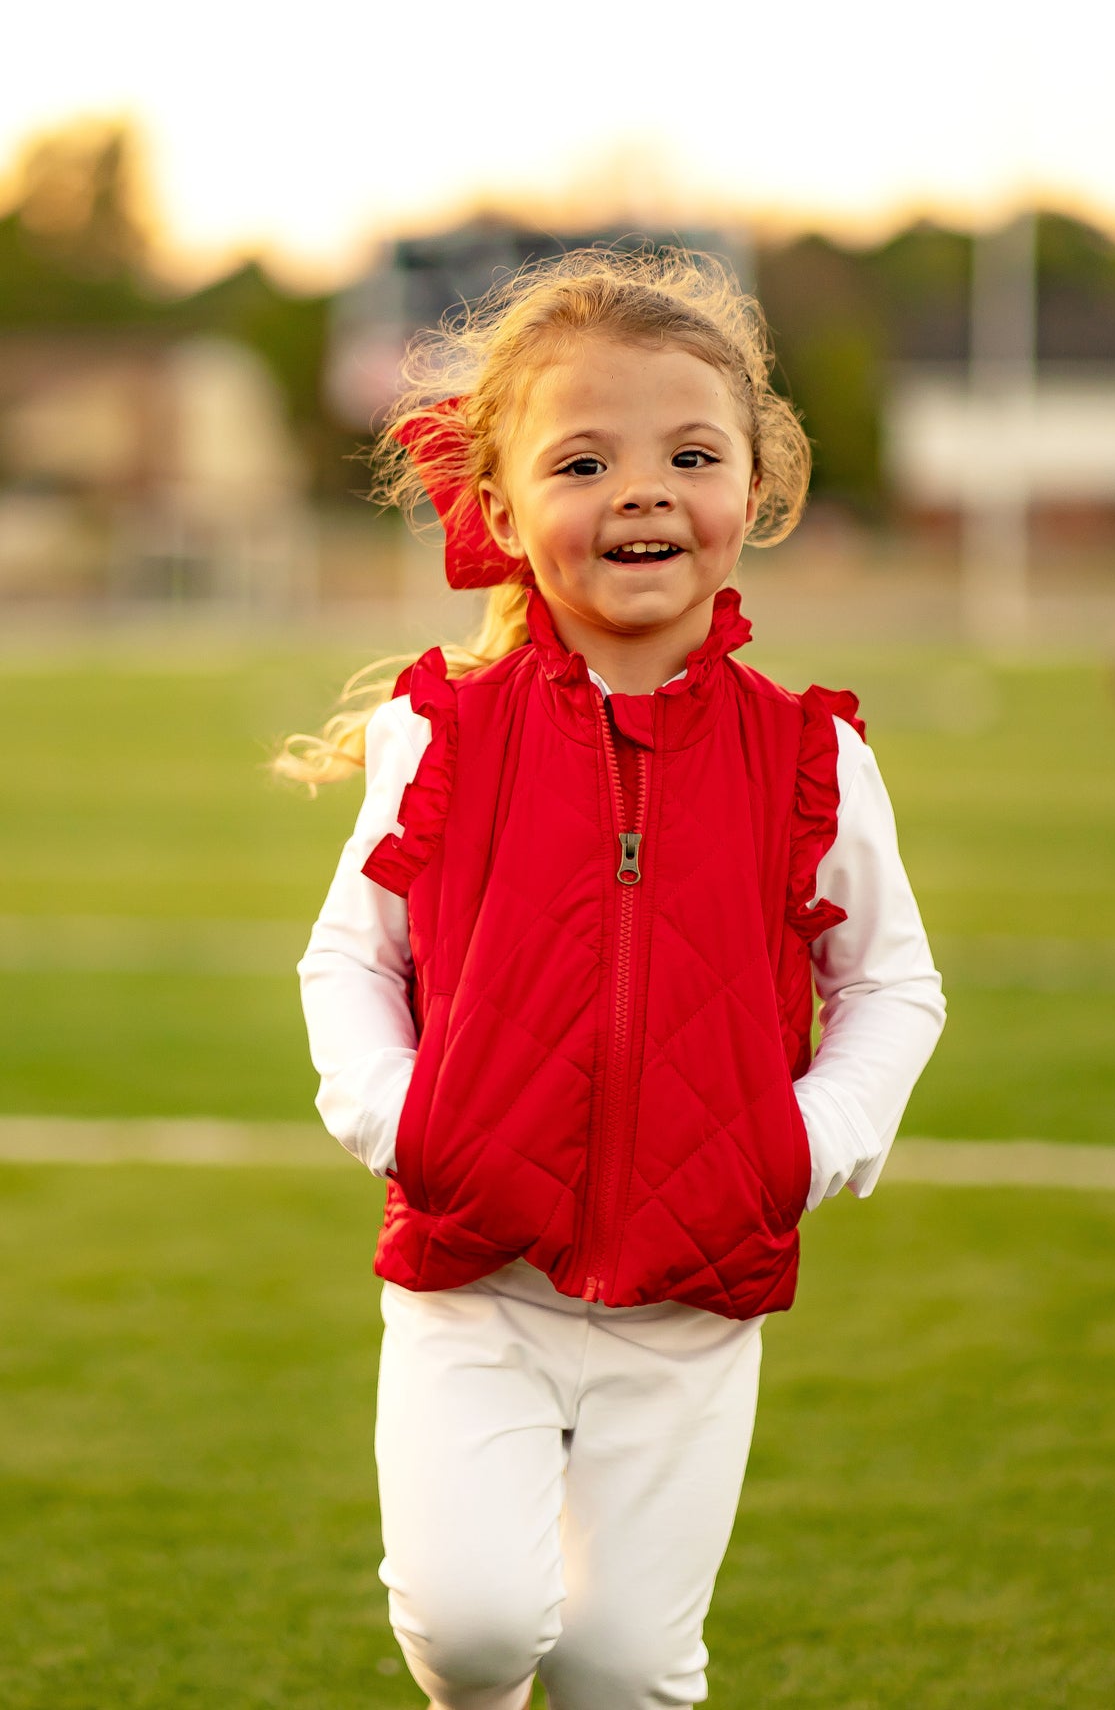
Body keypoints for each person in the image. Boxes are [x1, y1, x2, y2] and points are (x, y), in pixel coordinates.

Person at [284, 247, 946, 1710]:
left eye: (689, 454)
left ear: (753, 491)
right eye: (586, 460)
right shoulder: (442, 731)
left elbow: (895, 985)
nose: (643, 489)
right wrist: (408, 1122)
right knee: (473, 1629)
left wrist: (805, 1145)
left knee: (625, 1670)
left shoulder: (811, 757)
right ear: (507, 509)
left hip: (694, 1303)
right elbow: (354, 957)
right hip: (477, 1280)